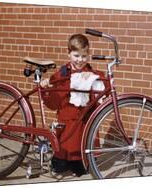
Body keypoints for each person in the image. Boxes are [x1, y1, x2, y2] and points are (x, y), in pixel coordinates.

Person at [40, 33, 107, 177]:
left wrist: (93, 78)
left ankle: (81, 162)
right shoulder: (62, 74)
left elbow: (103, 86)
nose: (80, 60)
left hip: (85, 119)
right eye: (76, 56)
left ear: (88, 54)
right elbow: (54, 100)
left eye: (83, 56)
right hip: (67, 118)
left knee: (82, 163)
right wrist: (47, 88)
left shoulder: (90, 72)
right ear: (69, 54)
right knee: (62, 158)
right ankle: (62, 161)